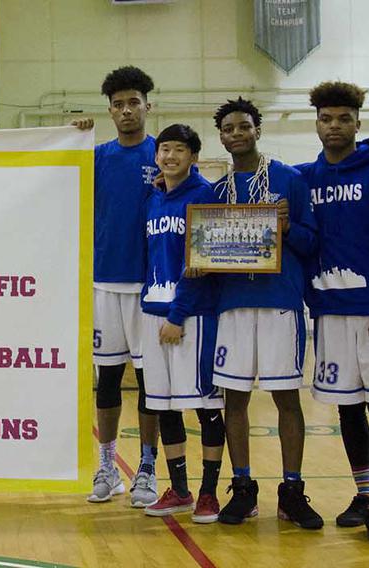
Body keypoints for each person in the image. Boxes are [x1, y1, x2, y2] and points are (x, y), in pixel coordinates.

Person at [209, 97, 322, 529]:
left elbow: (312, 242)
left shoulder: (289, 180)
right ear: (220, 137)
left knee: (286, 399)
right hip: (233, 306)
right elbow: (205, 246)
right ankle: (243, 489)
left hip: (280, 303)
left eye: (243, 126)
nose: (236, 134)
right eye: (228, 129)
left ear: (258, 130)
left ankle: (292, 490)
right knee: (233, 400)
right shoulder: (215, 192)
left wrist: (289, 226)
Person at [72, 66, 161, 507]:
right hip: (104, 284)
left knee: (150, 385)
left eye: (133, 102)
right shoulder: (97, 157)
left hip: (150, 289)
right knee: (106, 383)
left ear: (148, 105)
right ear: (109, 110)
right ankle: (107, 466)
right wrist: (71, 140)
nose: (126, 110)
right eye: (118, 104)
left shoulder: (164, 156)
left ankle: (147, 468)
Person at [139, 124, 225, 523]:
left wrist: (177, 316)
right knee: (165, 407)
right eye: (164, 150)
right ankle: (179, 490)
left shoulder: (204, 196)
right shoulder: (154, 197)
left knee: (205, 406)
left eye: (178, 150)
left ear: (193, 156)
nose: (170, 156)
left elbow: (201, 265)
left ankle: (209, 493)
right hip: (153, 314)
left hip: (192, 318)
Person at [295, 81, 369, 532]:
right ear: (316, 123)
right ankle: (364, 494)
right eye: (327, 118)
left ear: (358, 122)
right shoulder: (304, 179)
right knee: (348, 408)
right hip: (329, 312)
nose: (335, 126)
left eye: (344, 118)